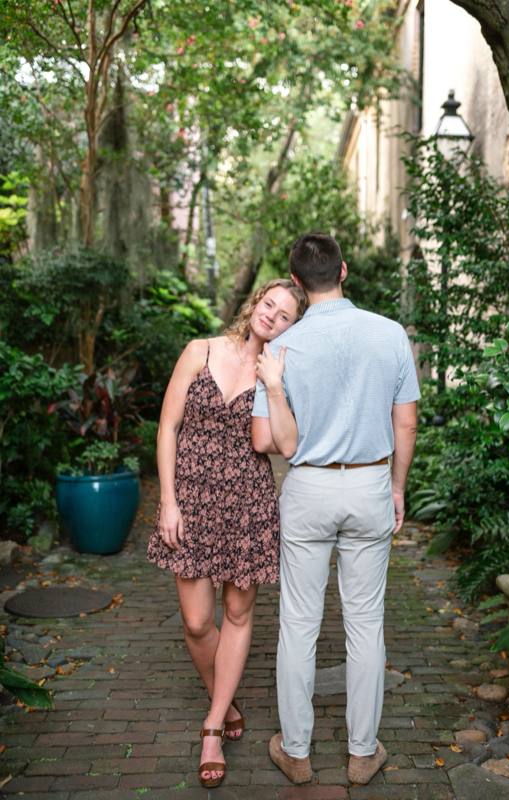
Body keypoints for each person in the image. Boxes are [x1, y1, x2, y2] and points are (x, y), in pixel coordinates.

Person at [252, 232, 420, 787]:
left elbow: (270, 443)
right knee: (365, 623)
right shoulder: (390, 334)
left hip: (308, 489)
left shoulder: (279, 350)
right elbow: (406, 421)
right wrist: (397, 486)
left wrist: (278, 393)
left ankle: (296, 752)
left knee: (298, 624)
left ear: (296, 283)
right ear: (344, 270)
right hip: (370, 483)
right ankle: (361, 752)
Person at [147, 279, 307, 788]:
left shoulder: (279, 372)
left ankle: (213, 724)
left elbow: (285, 446)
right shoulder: (200, 350)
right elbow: (167, 427)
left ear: (291, 327)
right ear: (255, 302)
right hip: (191, 501)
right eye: (270, 305)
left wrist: (276, 385)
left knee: (237, 613)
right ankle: (224, 695)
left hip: (248, 505)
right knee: (197, 622)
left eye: (285, 316)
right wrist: (168, 500)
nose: (273, 317)